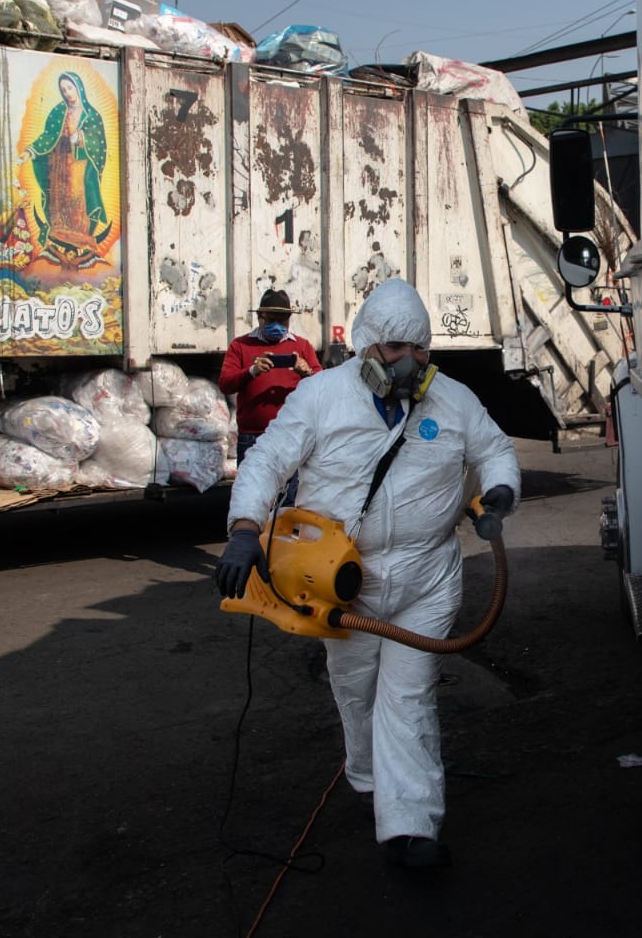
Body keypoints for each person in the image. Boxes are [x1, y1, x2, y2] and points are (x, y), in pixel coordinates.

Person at [215, 278, 519, 869]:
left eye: (421, 350)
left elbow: (493, 448)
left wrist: (502, 488)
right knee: (356, 693)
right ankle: (369, 778)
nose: (409, 363)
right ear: (368, 346)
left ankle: (411, 828)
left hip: (426, 577)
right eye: (396, 348)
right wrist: (246, 529)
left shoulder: (452, 400)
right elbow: (268, 459)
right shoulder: (320, 397)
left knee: (408, 697)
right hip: (344, 581)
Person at [217, 289, 321, 493]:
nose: (278, 326)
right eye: (272, 319)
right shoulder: (240, 345)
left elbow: (323, 385)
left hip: (290, 435)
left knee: (290, 498)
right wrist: (251, 372)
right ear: (260, 317)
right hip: (253, 437)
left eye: (283, 321)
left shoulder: (301, 346)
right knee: (252, 494)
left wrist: (306, 372)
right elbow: (226, 383)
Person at [21, 71, 110, 269]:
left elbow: (100, 145)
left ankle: (80, 241)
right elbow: (48, 135)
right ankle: (58, 239)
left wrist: (82, 139)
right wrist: (30, 151)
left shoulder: (92, 115)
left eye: (70, 88)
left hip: (79, 166)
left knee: (77, 200)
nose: (68, 93)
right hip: (58, 163)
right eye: (63, 90)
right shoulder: (58, 112)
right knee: (58, 200)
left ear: (78, 88)